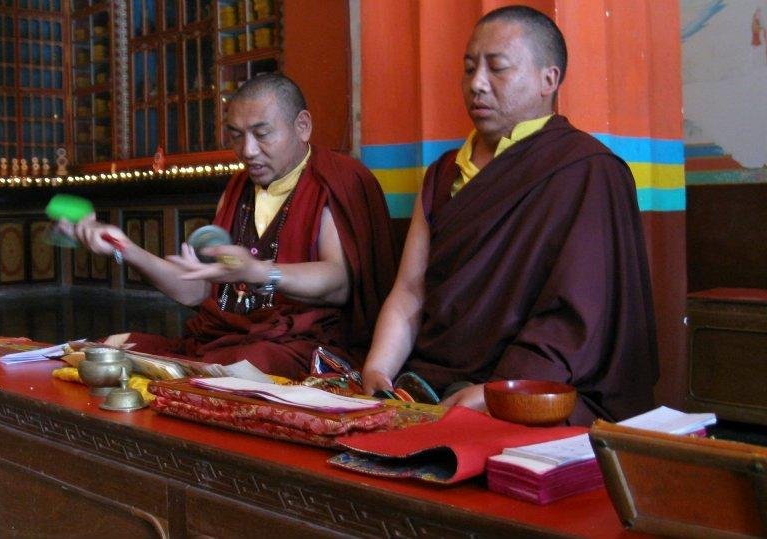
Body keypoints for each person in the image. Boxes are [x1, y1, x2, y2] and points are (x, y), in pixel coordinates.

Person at [361, 5, 658, 425]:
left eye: (497, 68)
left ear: (548, 79)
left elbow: (576, 321)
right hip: (431, 381)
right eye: (469, 69)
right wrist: (379, 369)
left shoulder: (587, 170)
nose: (477, 84)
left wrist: (497, 391)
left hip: (533, 386)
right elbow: (410, 290)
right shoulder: (444, 173)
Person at [73, 73, 396, 379]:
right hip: (226, 339)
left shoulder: (334, 180)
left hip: (301, 345)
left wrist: (259, 272)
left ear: (302, 126)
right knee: (110, 349)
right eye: (236, 135)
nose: (248, 151)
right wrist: (126, 248)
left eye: (262, 134)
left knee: (240, 367)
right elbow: (199, 290)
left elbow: (340, 282)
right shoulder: (238, 189)